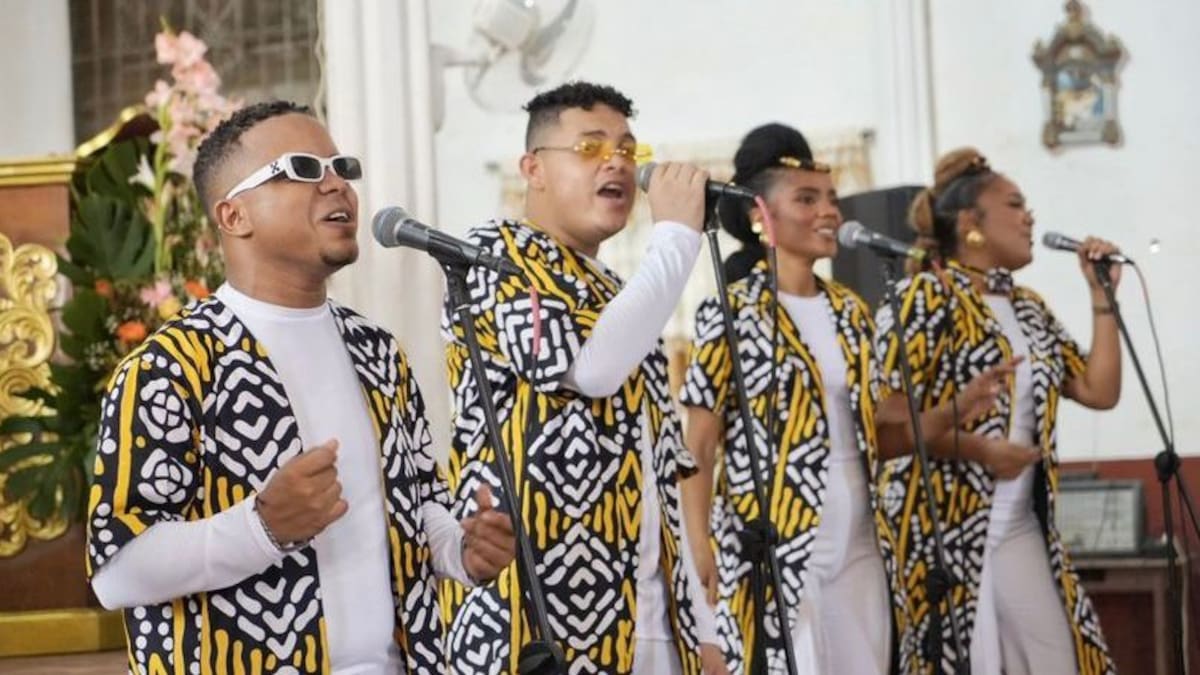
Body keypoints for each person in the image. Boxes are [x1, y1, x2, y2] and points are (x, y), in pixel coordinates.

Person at [87, 100, 515, 674]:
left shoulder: (377, 350)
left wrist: (461, 549)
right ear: (233, 216)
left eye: (341, 168)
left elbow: (420, 504)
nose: (337, 185)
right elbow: (117, 573)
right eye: (303, 170)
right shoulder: (173, 366)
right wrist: (260, 528)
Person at [439, 81, 726, 675]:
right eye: (591, 147)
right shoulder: (491, 256)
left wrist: (703, 630)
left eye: (627, 148)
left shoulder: (619, 293)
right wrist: (676, 236)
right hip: (538, 623)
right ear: (533, 169)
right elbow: (588, 370)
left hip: (649, 617)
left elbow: (659, 470)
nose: (617, 162)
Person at [872, 147, 1121, 674]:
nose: (1029, 217)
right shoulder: (924, 296)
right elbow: (886, 424)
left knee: (1059, 659)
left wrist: (1102, 295)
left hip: (1020, 523)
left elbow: (1098, 390)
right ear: (971, 224)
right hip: (942, 528)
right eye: (1014, 204)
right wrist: (979, 450)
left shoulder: (1028, 307)